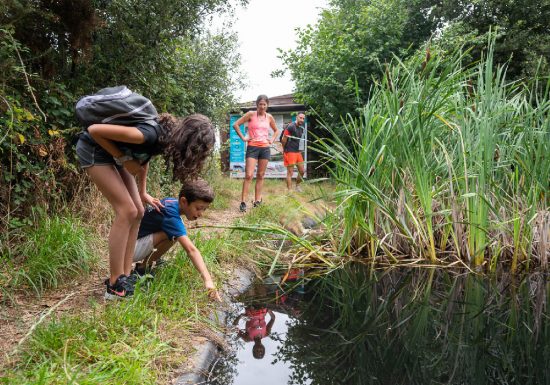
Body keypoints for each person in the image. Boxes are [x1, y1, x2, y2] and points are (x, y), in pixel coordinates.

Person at [75, 113, 215, 299]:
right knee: (128, 210)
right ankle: (115, 284)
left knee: (139, 211)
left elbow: (144, 158)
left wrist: (142, 192)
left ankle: (126, 276)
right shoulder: (148, 134)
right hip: (94, 149)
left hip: (113, 156)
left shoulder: (161, 139)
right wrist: (123, 158)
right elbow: (94, 130)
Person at [131, 179, 221, 302]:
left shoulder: (172, 202)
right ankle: (142, 269)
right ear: (184, 201)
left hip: (131, 245)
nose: (201, 214)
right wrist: (208, 281)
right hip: (129, 252)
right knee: (172, 235)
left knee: (175, 231)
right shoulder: (171, 215)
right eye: (199, 208)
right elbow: (191, 250)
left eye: (204, 209)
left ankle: (148, 262)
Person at [232, 95, 279, 212]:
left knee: (261, 175)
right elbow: (236, 124)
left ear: (267, 105)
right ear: (257, 105)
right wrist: (243, 138)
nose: (262, 107)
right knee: (248, 175)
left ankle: (257, 201)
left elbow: (276, 130)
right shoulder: (250, 114)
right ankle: (243, 202)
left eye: (264, 104)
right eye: (260, 104)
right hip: (252, 147)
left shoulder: (269, 117)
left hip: (265, 148)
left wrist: (272, 139)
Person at [281, 112, 306, 192]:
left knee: (302, 171)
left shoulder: (301, 128)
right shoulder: (291, 126)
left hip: (297, 152)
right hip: (290, 151)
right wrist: (283, 149)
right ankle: (289, 190)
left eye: (303, 118)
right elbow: (284, 139)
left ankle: (297, 186)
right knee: (290, 172)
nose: (302, 119)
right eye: (300, 118)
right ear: (296, 117)